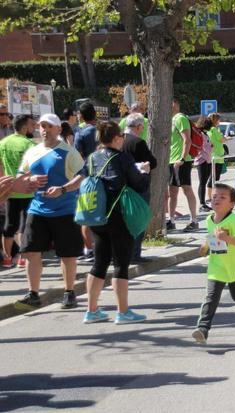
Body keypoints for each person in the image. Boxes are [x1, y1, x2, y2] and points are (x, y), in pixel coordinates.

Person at [82, 121, 151, 324]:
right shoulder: (122, 158)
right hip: (119, 215)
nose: (123, 139)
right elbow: (137, 184)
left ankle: (92, 310)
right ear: (115, 139)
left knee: (100, 262)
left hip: (97, 215)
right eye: (121, 136)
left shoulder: (92, 157)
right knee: (121, 264)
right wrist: (145, 172)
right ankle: (123, 312)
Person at [14, 113, 84, 311]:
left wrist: (62, 189)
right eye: (42, 126)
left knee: (67, 254)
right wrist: (29, 181)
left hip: (65, 210)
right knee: (30, 252)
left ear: (58, 129)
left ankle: (69, 293)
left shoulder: (68, 152)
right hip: (37, 210)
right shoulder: (32, 152)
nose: (44, 130)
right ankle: (33, 294)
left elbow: (82, 176)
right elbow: (20, 176)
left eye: (49, 126)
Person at [191, 183, 235, 344]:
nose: (217, 199)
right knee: (211, 297)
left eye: (222, 197)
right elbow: (211, 238)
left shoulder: (234, 221)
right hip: (217, 265)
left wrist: (227, 239)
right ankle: (203, 329)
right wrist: (205, 247)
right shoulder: (209, 219)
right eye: (214, 197)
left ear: (232, 204)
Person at [0, 114, 36, 268]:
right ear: (24, 127)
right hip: (28, 189)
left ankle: (7, 258)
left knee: (10, 224)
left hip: (9, 189)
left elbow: (0, 166)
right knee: (25, 224)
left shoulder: (3, 143)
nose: (33, 127)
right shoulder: (30, 144)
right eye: (31, 125)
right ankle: (22, 257)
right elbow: (35, 168)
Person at [122, 113, 158, 263]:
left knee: (123, 221)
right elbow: (152, 162)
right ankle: (134, 254)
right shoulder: (138, 143)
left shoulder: (118, 140)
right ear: (137, 127)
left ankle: (123, 253)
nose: (142, 129)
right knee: (138, 220)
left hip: (121, 186)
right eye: (142, 127)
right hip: (138, 187)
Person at [166, 97, 199, 232]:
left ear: (176, 104)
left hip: (180, 161)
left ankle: (194, 221)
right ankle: (171, 221)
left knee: (186, 189)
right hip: (172, 160)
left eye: (171, 102)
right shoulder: (171, 120)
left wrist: (182, 159)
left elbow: (187, 140)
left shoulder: (180, 118)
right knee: (172, 191)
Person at [73, 102, 98, 262]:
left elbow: (77, 158)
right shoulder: (102, 130)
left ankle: (89, 250)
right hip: (104, 175)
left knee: (86, 216)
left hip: (87, 178)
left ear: (81, 116)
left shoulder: (80, 133)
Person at [204, 113, 226, 208]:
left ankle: (210, 196)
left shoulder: (210, 130)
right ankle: (210, 197)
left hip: (214, 156)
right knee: (214, 178)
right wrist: (224, 137)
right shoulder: (214, 130)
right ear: (215, 120)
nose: (219, 122)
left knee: (213, 177)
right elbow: (222, 140)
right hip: (217, 157)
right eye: (219, 120)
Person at [194, 116, 214, 211]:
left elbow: (207, 146)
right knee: (202, 182)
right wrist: (210, 147)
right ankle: (202, 204)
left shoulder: (205, 134)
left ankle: (203, 203)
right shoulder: (200, 134)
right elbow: (202, 147)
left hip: (207, 160)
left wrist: (211, 146)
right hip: (201, 160)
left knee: (204, 182)